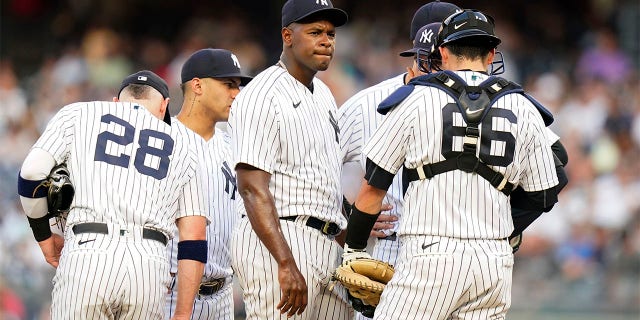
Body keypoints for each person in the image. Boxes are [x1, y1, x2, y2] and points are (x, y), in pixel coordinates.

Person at [341, 10, 562, 319]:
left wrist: (353, 248)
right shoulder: (521, 105)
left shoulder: (416, 98)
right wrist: (506, 227)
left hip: (430, 256)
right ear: (491, 54)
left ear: (442, 51)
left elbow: (372, 189)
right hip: (493, 264)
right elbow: (545, 193)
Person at [17, 70, 208, 319]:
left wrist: (44, 237)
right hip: (149, 264)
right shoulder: (188, 146)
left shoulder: (79, 113)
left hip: (88, 252)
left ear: (116, 102)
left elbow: (31, 173)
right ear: (164, 106)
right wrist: (183, 312)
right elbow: (194, 237)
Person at [227, 0, 352, 319]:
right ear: (287, 36)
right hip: (282, 237)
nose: (326, 40)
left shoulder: (324, 94)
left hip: (327, 242)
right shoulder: (262, 94)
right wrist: (285, 262)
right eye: (314, 32)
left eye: (330, 33)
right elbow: (252, 187)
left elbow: (322, 180)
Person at [165, 48, 252, 319]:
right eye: (228, 84)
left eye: (238, 86)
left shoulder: (235, 147)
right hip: (168, 294)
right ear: (198, 86)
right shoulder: (162, 141)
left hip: (222, 298)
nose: (236, 93)